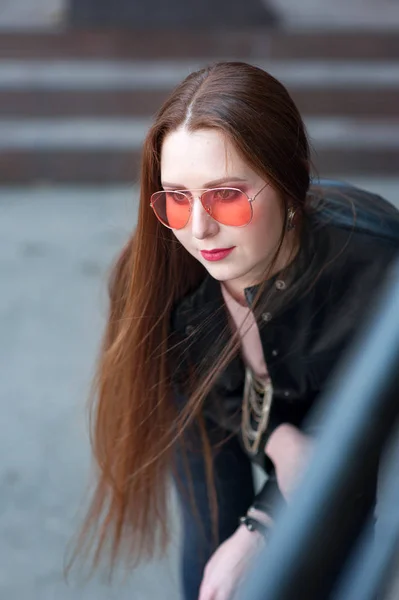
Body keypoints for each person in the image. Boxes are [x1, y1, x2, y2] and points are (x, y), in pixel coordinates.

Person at [73, 62, 399, 600]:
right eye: (176, 197)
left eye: (225, 193)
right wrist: (280, 442)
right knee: (215, 571)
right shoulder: (165, 290)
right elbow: (216, 517)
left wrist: (263, 525)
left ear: (290, 181)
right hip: (218, 401)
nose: (199, 229)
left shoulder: (375, 266)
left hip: (354, 446)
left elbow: (363, 454)